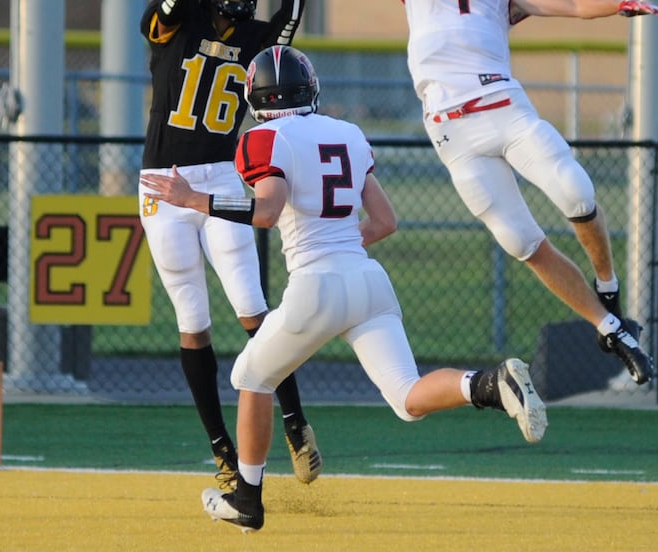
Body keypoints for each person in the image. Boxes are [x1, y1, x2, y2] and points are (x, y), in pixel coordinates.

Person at [308, 0, 658, 386]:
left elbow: (569, 5)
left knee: (576, 191)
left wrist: (620, 5)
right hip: (453, 133)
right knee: (520, 241)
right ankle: (611, 328)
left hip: (502, 106)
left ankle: (608, 285)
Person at [142, 44, 547, 532]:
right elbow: (385, 221)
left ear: (256, 96)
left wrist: (195, 200)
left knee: (250, 378)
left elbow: (267, 212)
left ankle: (247, 499)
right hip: (368, 280)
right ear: (310, 88)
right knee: (407, 397)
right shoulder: (347, 133)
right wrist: (336, 244)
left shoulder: (263, 138)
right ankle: (488, 384)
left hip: (318, 284)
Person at [137, 0, 330, 492]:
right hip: (162, 185)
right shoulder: (174, 27)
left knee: (252, 310)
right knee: (192, 320)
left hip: (220, 175)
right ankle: (222, 447)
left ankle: (295, 420)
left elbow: (292, 16)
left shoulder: (253, 41)